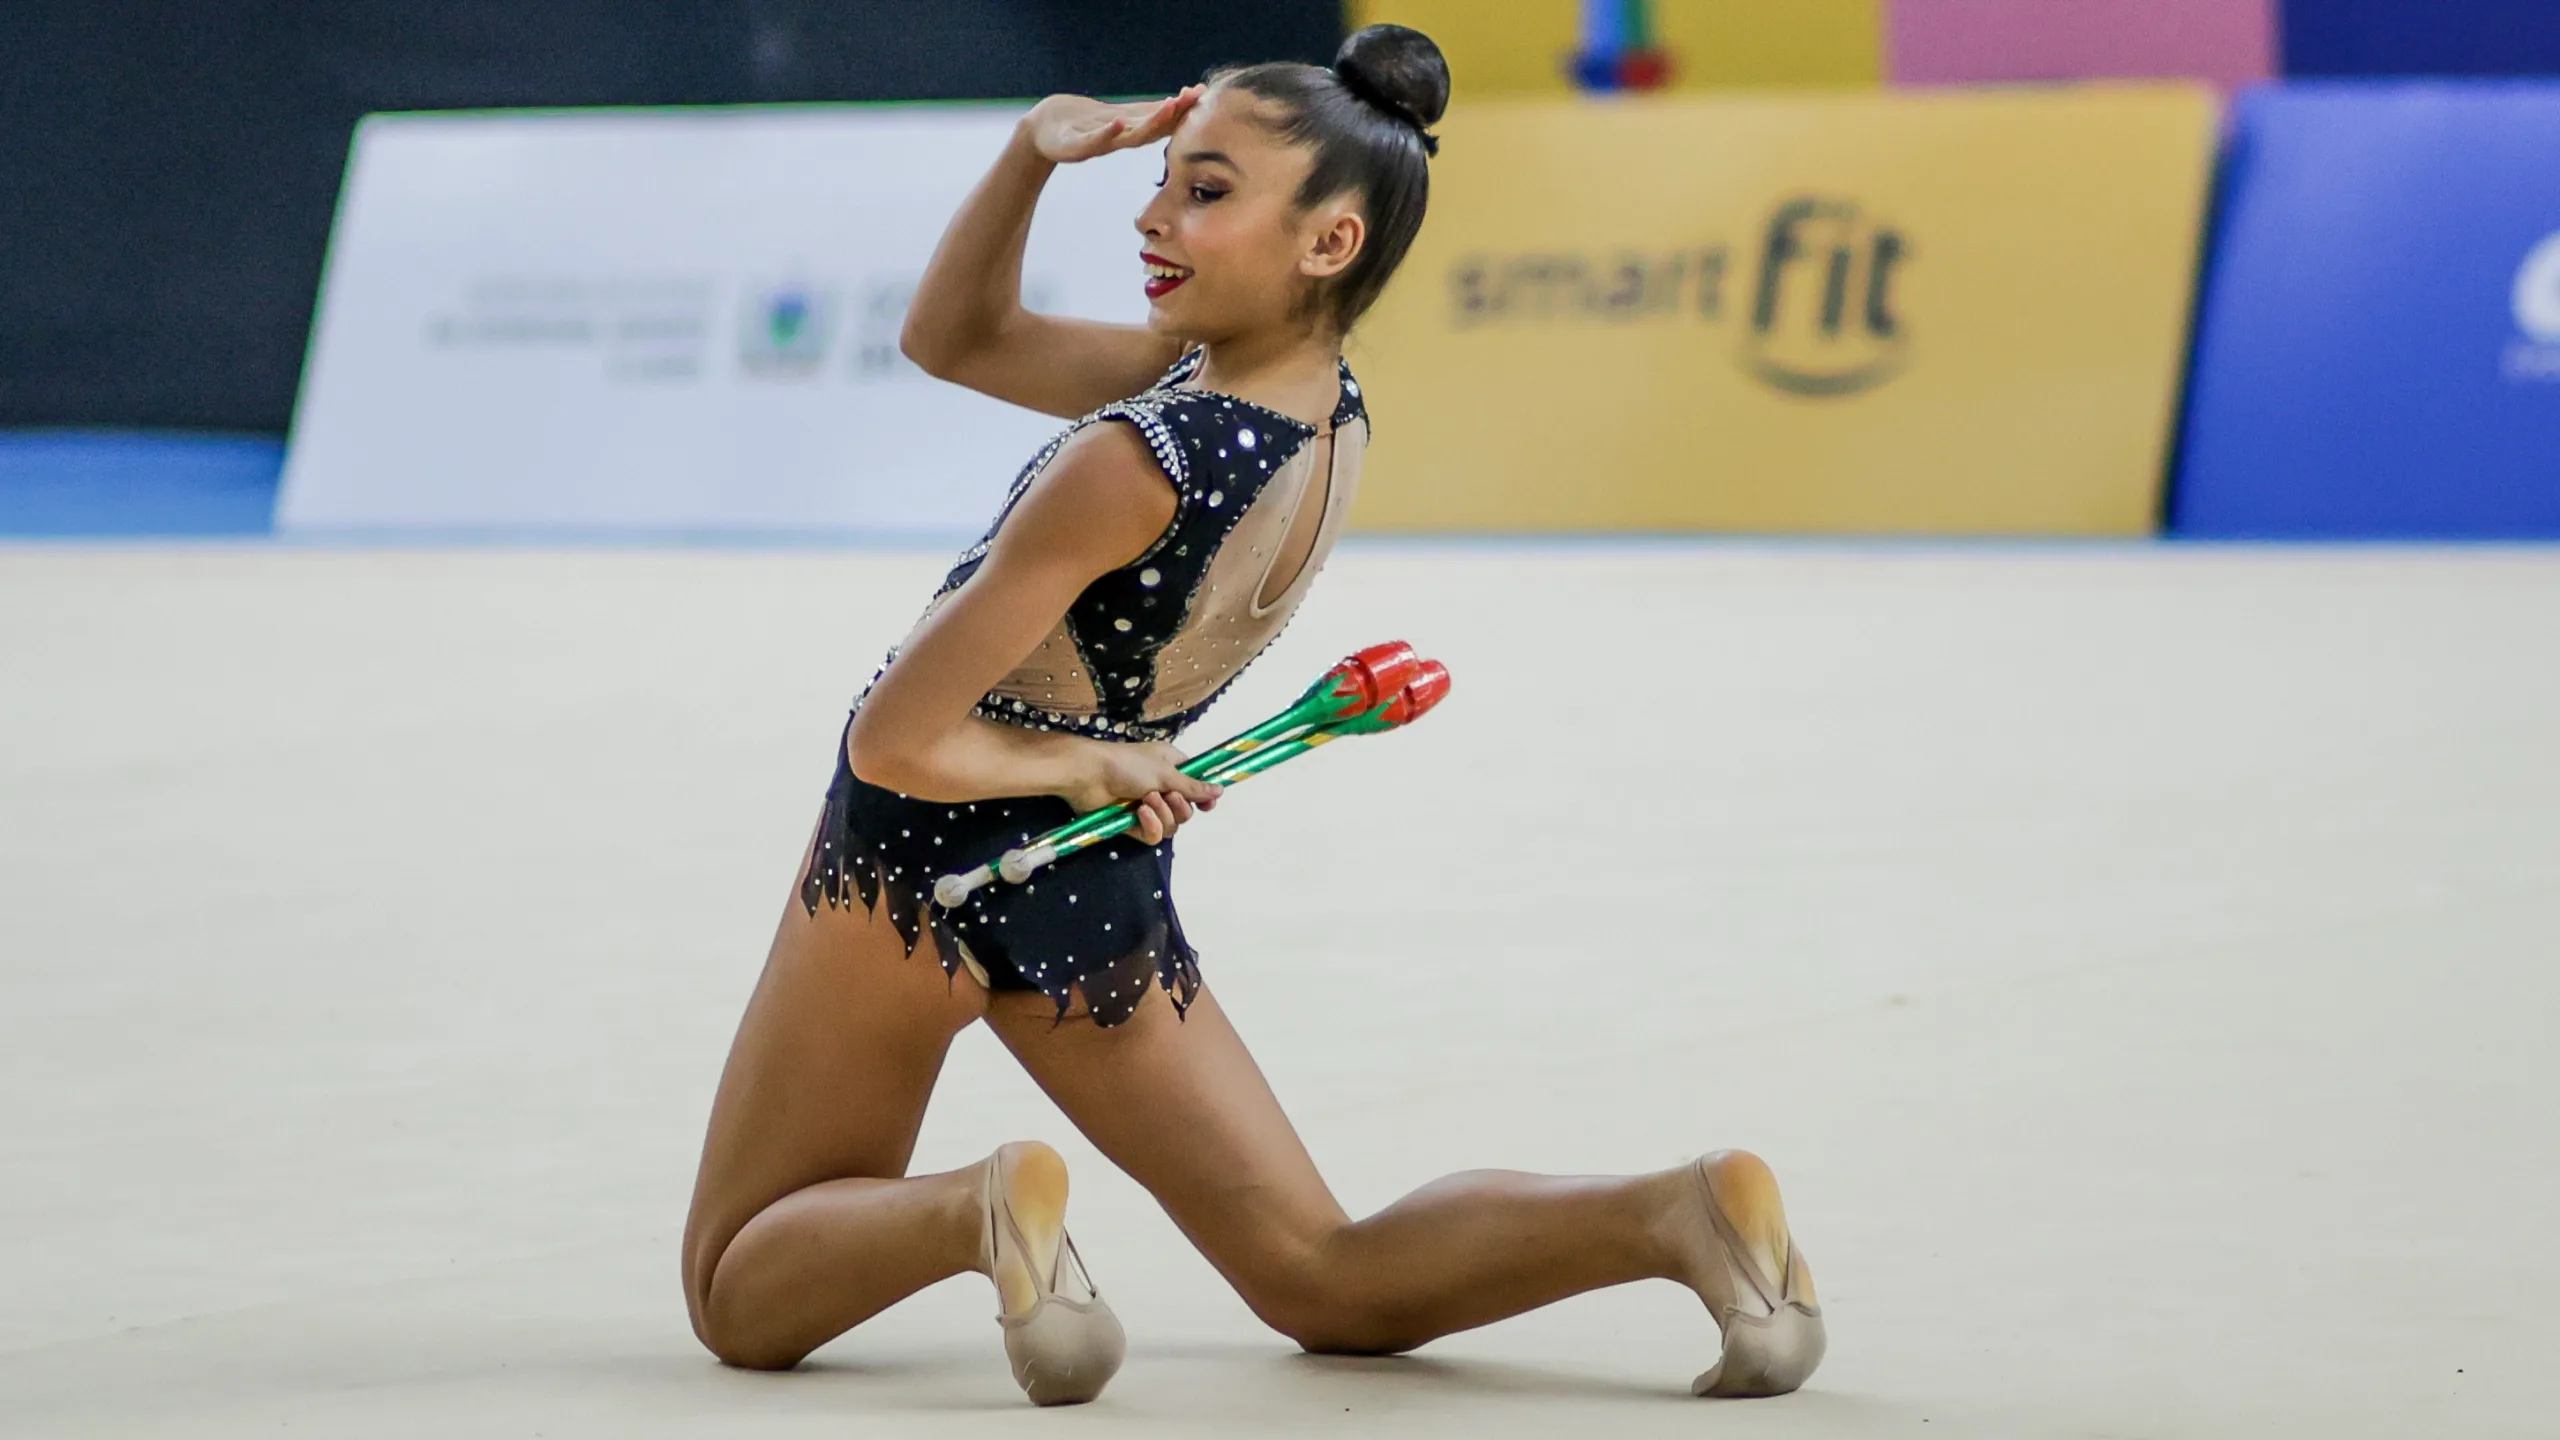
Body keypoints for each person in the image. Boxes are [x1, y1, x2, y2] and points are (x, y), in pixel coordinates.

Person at [679, 23, 1823, 1407]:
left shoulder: (1130, 453)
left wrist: (1094, 761)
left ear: (1329, 243)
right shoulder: (1313, 414)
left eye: (1206, 192)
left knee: (738, 1292)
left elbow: (897, 740)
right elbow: (958, 338)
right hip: (1094, 874)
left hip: (924, 866)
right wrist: (1028, 159)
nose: (1157, 218)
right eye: (1162, 182)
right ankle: (1673, 1212)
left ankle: (977, 1209)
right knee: (1324, 1275)